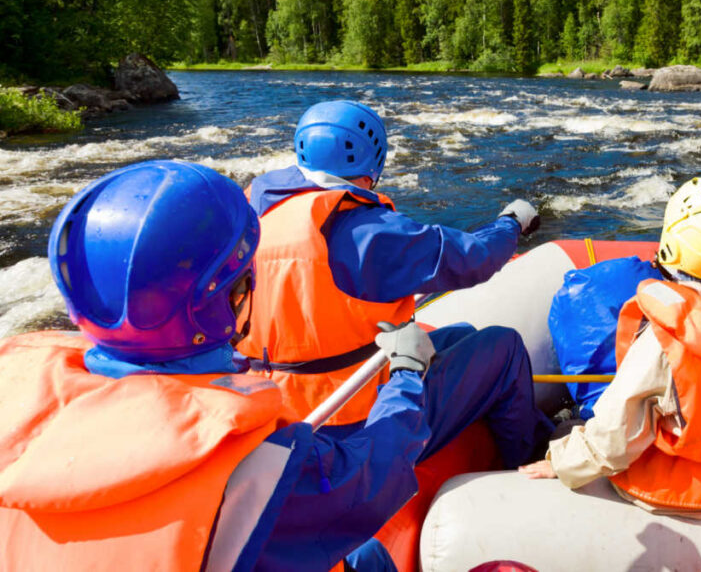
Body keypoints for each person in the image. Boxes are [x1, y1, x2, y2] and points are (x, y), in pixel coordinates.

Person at [0, 160, 457, 570]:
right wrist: (406, 372)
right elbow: (373, 475)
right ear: (228, 299)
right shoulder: (258, 462)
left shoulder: (16, 396)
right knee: (370, 556)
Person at [238, 100, 551, 471]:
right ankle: (532, 460)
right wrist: (511, 222)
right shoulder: (368, 232)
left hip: (269, 414)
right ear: (374, 162)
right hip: (350, 426)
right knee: (504, 347)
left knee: (462, 333)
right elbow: (476, 257)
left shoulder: (251, 213)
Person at [520, 178, 701, 516]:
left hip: (658, 486)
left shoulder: (665, 338)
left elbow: (615, 435)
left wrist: (562, 463)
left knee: (562, 432)